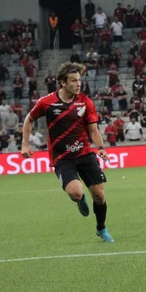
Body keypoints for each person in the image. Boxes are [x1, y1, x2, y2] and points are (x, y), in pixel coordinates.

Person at [21, 62, 114, 242]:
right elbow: (29, 119)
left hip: (85, 153)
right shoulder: (46, 102)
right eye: (73, 81)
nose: (78, 84)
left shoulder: (86, 102)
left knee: (100, 196)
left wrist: (101, 148)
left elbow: (93, 130)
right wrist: (25, 144)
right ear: (63, 83)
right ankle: (80, 200)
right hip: (63, 158)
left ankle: (101, 229)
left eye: (79, 80)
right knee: (76, 193)